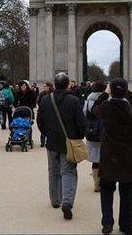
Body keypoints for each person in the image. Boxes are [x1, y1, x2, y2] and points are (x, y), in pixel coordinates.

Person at [92, 78, 132, 235]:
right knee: (127, 194)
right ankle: (127, 226)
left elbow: (93, 108)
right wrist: (125, 91)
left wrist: (105, 93)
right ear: (126, 91)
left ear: (111, 91)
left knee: (107, 190)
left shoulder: (106, 108)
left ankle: (107, 223)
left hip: (110, 156)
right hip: (129, 156)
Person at [37, 73, 86, 220]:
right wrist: (79, 137)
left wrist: (48, 134)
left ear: (54, 84)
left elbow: (40, 122)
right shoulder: (75, 100)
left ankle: (55, 200)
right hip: (69, 142)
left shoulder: (45, 100)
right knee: (69, 172)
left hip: (52, 142)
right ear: (67, 85)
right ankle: (67, 202)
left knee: (53, 172)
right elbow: (81, 123)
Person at [83, 80, 107, 192]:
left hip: (92, 130)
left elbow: (84, 113)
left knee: (95, 160)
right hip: (105, 131)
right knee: (105, 157)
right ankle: (105, 182)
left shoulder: (89, 99)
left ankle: (96, 184)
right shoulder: (106, 98)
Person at [37, 82, 54, 147]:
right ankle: (42, 142)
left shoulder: (52, 93)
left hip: (51, 112)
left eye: (45, 86)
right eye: (44, 86)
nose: (44, 87)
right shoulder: (42, 94)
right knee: (43, 126)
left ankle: (49, 141)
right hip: (43, 112)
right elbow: (38, 102)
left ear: (49, 87)